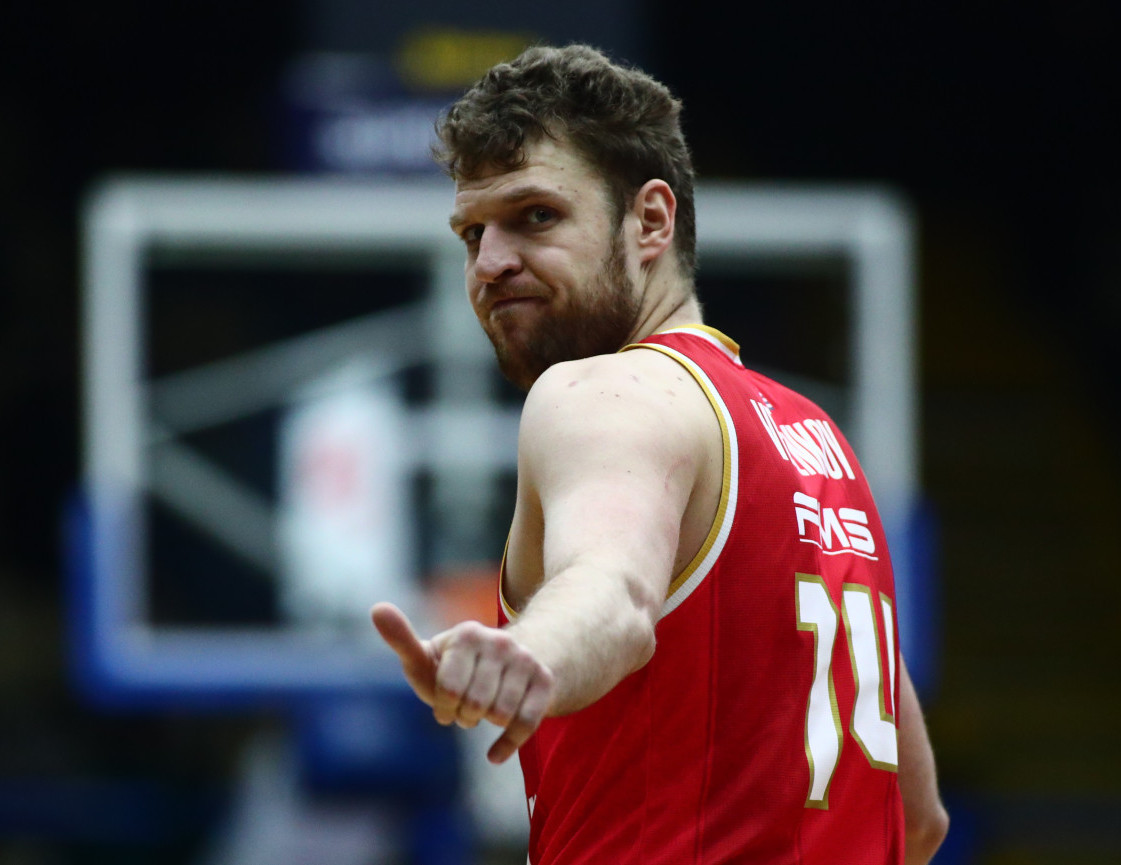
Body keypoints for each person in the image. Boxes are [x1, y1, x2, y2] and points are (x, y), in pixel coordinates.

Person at [372, 44, 948, 864]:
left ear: (650, 220)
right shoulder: (820, 442)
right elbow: (917, 818)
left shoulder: (604, 392)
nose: (490, 262)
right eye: (472, 233)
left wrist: (531, 651)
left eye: (535, 215)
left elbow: (614, 588)